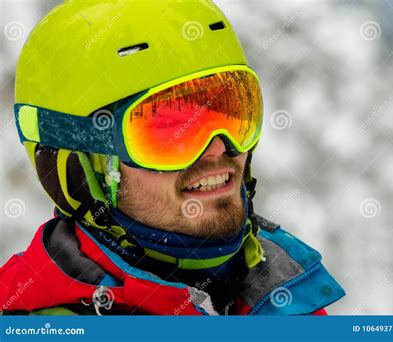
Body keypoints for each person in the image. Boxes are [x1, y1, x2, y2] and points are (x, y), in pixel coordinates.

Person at [0, 0, 345, 316]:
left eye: (231, 113)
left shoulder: (287, 300)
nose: (216, 149)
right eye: (166, 130)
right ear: (78, 169)